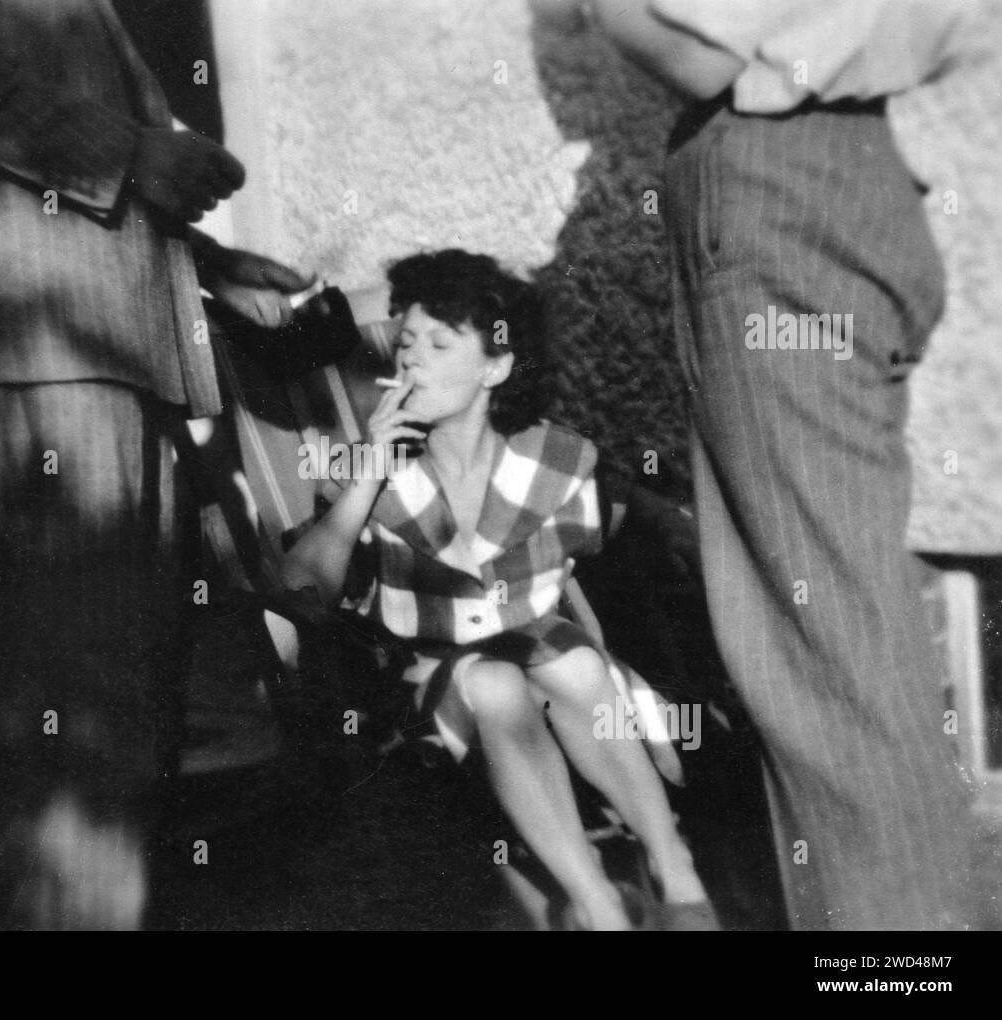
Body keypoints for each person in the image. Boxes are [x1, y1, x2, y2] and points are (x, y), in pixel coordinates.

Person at [0, 0, 312, 928]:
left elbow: (31, 94)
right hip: (34, 341)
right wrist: (138, 157)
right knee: (86, 693)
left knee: (117, 696)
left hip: (87, 340)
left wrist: (205, 265)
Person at [590, 0, 984, 928]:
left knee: (825, 657)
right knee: (827, 639)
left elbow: (689, 47)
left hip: (779, 173)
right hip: (833, 174)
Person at [281, 250, 714, 930]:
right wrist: (365, 476)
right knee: (494, 684)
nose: (411, 360)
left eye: (439, 343)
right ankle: (600, 905)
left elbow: (647, 530)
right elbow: (299, 590)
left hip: (555, 661)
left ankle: (674, 866)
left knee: (569, 662)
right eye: (406, 343)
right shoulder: (375, 475)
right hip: (436, 682)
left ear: (497, 367)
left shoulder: (556, 461)